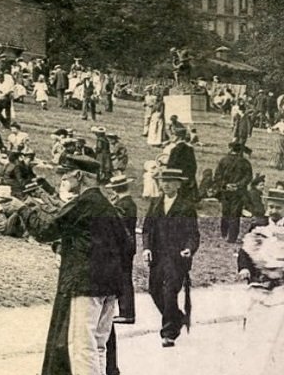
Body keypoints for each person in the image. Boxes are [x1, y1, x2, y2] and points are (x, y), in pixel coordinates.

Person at [21, 155, 127, 375]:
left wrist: (22, 209)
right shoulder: (104, 204)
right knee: (99, 343)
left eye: (67, 175)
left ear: (80, 176)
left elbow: (46, 229)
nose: (63, 179)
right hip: (109, 283)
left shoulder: (84, 203)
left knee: (82, 343)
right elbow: (126, 244)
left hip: (85, 281)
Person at [231, 187, 284, 375]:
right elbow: (244, 253)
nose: (274, 211)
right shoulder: (258, 227)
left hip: (281, 300)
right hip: (259, 298)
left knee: (272, 363)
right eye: (271, 206)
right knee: (255, 360)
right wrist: (245, 268)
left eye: (280, 207)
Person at [141, 167, 201, 348]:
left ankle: (169, 333)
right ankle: (177, 317)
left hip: (176, 258)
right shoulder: (155, 203)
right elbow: (147, 229)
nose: (165, 185)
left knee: (169, 293)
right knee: (154, 290)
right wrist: (146, 248)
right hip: (157, 257)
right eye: (162, 181)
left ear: (178, 184)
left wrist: (189, 249)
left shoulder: (186, 206)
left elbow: (193, 234)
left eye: (169, 181)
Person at [107, 174, 138, 325]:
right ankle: (126, 311)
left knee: (124, 279)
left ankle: (127, 312)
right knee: (124, 278)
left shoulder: (124, 204)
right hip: (127, 245)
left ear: (115, 189)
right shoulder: (127, 202)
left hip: (123, 246)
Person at [214, 141, 253, 244]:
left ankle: (224, 233)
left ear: (230, 149)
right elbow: (248, 177)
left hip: (225, 191)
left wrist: (225, 185)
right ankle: (232, 237)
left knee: (225, 211)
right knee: (235, 214)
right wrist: (238, 185)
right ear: (240, 151)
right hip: (238, 192)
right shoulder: (245, 163)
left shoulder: (223, 161)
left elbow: (217, 176)